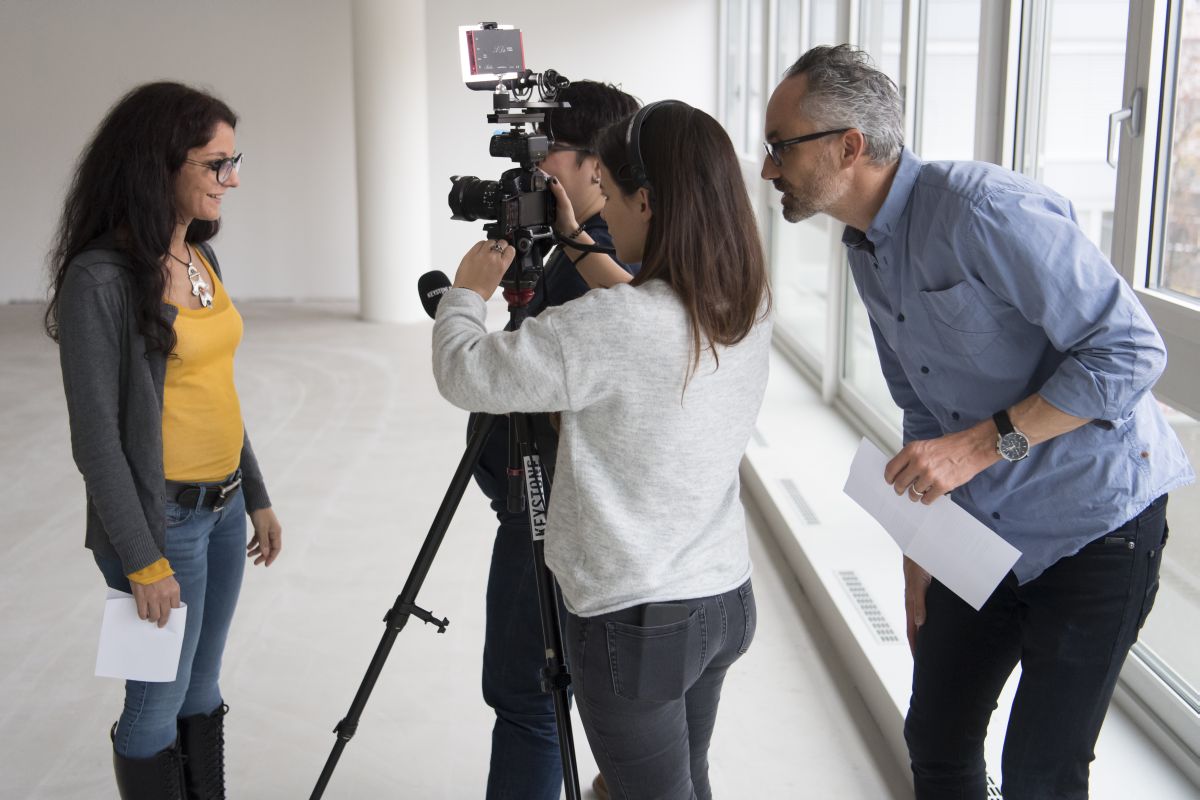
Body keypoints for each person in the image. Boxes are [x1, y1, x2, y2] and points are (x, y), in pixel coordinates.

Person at [761, 44, 1193, 799]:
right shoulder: (866, 250)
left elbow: (1131, 351)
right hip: (983, 533)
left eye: (780, 147)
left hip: (1096, 529)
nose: (769, 170)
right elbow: (921, 406)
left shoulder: (985, 210)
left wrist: (981, 445)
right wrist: (918, 545)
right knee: (935, 739)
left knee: (1039, 775)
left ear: (848, 146)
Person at [434, 100, 771, 800]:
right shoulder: (742, 302)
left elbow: (465, 371)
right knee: (684, 783)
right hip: (721, 598)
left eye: (610, 199)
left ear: (646, 200)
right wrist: (576, 241)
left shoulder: (610, 327)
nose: (602, 216)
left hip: (636, 619)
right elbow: (648, 317)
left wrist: (463, 296)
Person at [45, 82, 283, 800]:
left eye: (233, 161)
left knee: (202, 687)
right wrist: (143, 559)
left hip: (222, 510)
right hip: (162, 526)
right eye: (216, 164)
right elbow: (96, 442)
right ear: (160, 165)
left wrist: (259, 496)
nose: (232, 179)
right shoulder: (102, 280)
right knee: (156, 701)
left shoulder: (203, 262)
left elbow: (215, 394)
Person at [466, 80, 639, 800]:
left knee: (527, 697)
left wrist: (463, 301)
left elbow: (482, 375)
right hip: (544, 498)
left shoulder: (596, 276)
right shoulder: (574, 250)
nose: (534, 174)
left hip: (545, 510)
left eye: (546, 154)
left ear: (596, 164)